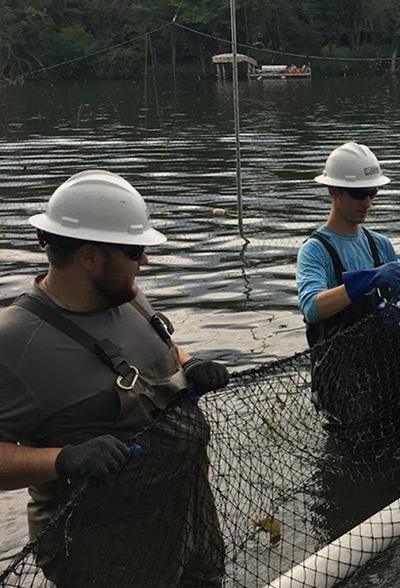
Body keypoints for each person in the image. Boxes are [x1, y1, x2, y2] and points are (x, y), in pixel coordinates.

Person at [0, 170, 230, 587]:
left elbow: (150, 357)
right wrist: (62, 458)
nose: (144, 260)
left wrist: (190, 361)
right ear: (90, 255)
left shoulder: (129, 294)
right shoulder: (15, 341)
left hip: (186, 524)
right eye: (134, 249)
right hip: (106, 556)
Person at [297, 142, 400, 458]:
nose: (367, 202)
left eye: (372, 193)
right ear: (333, 191)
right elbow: (312, 308)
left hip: (390, 370)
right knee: (351, 454)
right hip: (343, 379)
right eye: (358, 194)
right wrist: (366, 281)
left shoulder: (380, 245)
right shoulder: (315, 250)